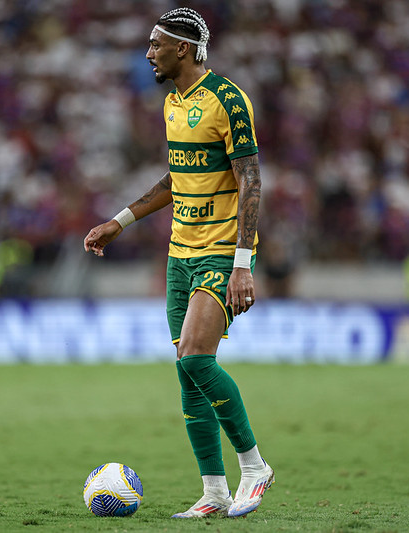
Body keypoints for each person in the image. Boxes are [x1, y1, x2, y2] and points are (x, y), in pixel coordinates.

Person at [83, 7, 273, 519]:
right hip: (179, 255)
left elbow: (251, 180)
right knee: (187, 375)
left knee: (194, 357)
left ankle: (253, 467)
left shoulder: (227, 99)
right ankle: (213, 492)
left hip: (220, 253)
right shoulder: (172, 103)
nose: (148, 53)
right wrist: (119, 221)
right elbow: (175, 181)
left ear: (182, 49)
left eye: (155, 44)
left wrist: (241, 263)